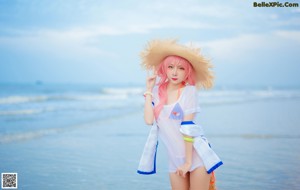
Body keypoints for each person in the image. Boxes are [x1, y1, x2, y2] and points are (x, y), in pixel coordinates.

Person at [137, 39, 223, 190]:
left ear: (187, 71)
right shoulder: (157, 91)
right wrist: (149, 90)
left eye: (181, 68)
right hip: (174, 160)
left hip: (196, 157)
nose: (175, 72)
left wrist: (188, 163)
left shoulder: (189, 92)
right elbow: (149, 120)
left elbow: (188, 129)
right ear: (164, 69)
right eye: (170, 67)